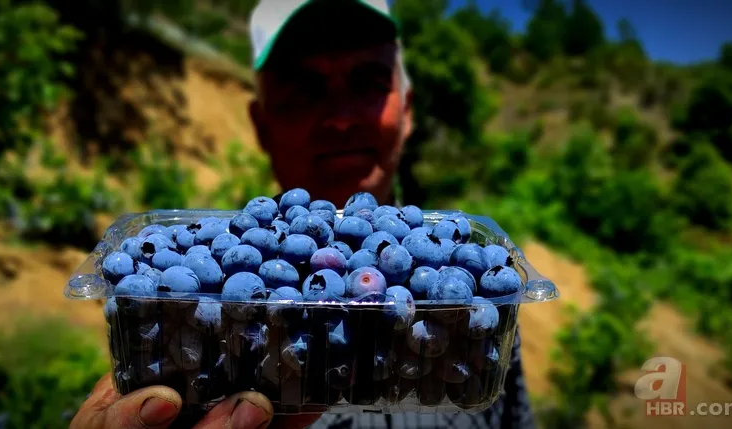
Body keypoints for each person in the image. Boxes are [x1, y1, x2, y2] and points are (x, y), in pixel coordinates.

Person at [70, 0, 535, 428]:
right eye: (303, 90)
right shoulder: (191, 321)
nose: (340, 118)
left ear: (408, 109)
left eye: (368, 83)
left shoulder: (471, 314)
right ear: (260, 123)